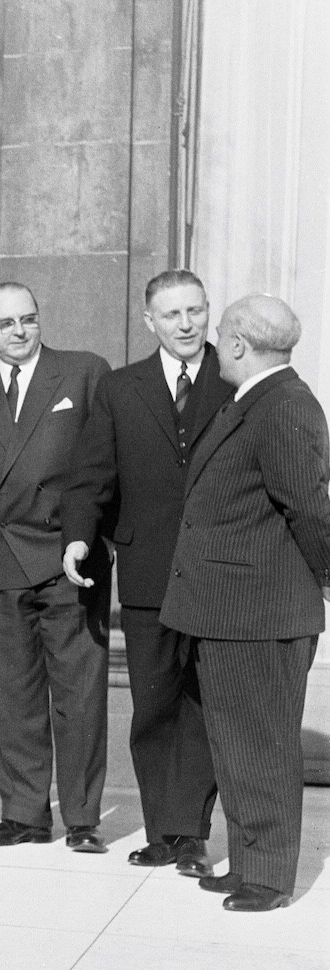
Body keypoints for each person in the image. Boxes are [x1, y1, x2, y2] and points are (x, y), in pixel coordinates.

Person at [160, 294, 330, 913]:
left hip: (258, 613)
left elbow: (309, 507)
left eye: (219, 336)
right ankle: (252, 862)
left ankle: (269, 876)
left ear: (236, 343)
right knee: (236, 744)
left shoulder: (285, 405)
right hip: (229, 609)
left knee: (261, 745)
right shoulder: (260, 399)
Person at [62, 269, 230, 876]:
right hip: (147, 570)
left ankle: (191, 831)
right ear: (149, 321)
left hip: (221, 570)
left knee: (205, 701)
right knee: (154, 702)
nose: (186, 325)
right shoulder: (120, 387)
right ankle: (163, 829)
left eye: (195, 311)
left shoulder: (237, 380)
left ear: (208, 310)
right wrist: (78, 539)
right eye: (172, 315)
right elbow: (91, 477)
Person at [0, 282, 111, 852]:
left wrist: (96, 538)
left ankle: (83, 819)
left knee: (80, 692)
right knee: (11, 694)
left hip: (74, 556)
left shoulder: (84, 372)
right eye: (6, 323)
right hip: (4, 556)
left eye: (29, 318)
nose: (20, 331)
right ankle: (23, 813)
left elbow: (104, 462)